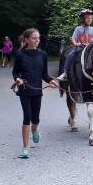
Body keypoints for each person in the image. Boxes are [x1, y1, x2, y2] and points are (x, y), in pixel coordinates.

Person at [13, 28, 59, 159]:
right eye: (34, 38)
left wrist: (51, 81)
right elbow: (15, 72)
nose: (37, 40)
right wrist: (18, 79)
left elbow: (44, 74)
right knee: (27, 116)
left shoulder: (43, 55)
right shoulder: (20, 54)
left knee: (36, 119)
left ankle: (34, 129)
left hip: (37, 91)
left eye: (38, 38)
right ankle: (25, 148)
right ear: (26, 39)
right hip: (24, 90)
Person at [56, 8, 93, 82]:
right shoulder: (78, 29)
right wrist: (75, 43)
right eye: (87, 18)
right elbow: (73, 38)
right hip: (80, 48)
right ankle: (65, 73)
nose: (89, 20)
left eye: (91, 18)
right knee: (70, 55)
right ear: (83, 19)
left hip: (90, 50)